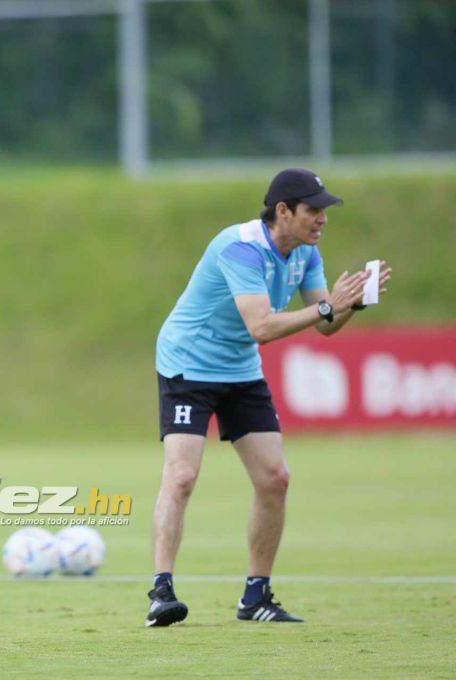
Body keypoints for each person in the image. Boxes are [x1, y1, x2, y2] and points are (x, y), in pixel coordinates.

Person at [147, 168, 392, 626]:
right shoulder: (240, 247)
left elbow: (324, 324)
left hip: (239, 369)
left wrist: (352, 302)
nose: (321, 219)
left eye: (323, 211)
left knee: (275, 478)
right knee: (181, 475)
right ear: (283, 211)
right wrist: (326, 306)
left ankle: (255, 597)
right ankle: (161, 591)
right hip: (189, 362)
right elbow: (262, 326)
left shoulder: (305, 252)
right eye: (313, 210)